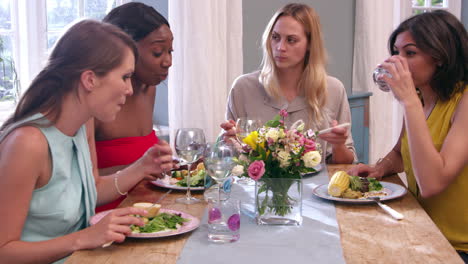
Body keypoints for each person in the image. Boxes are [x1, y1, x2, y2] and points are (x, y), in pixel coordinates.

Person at [0, 20, 173, 263]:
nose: (129, 90)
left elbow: (92, 190)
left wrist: (142, 167)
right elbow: (4, 251)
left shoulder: (83, 124)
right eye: (125, 77)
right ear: (90, 80)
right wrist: (84, 238)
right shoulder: (27, 143)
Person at [347, 10, 467, 261]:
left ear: (441, 56)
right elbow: (400, 154)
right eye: (396, 53)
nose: (397, 62)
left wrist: (408, 101)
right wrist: (380, 168)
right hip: (424, 229)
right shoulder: (422, 97)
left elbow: (432, 184)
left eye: (409, 53)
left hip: (457, 248)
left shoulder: (462, 101)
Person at [220, 3, 356, 164]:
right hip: (256, 188)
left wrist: (338, 145)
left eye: (291, 40)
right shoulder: (243, 88)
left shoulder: (333, 90)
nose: (280, 47)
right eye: (275, 37)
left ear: (310, 44)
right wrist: (228, 141)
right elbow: (226, 160)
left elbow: (346, 164)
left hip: (315, 188)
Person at [94, 2, 174, 212]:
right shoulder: (93, 103)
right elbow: (76, 185)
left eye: (170, 51)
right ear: (123, 50)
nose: (168, 61)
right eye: (157, 52)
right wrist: (141, 168)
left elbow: (142, 159)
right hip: (107, 217)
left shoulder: (149, 89)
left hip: (146, 208)